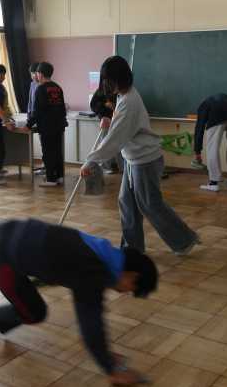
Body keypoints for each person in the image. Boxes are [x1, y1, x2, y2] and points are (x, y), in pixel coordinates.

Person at [0, 208, 157, 386]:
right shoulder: (94, 271)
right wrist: (110, 369)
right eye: (131, 288)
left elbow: (59, 262)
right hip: (2, 263)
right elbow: (91, 323)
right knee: (34, 313)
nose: (124, 292)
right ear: (133, 274)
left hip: (8, 229)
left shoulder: (103, 251)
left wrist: (106, 356)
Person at [80, 56, 198, 256]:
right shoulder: (123, 96)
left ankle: (184, 240)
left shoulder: (129, 102)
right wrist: (108, 118)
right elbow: (118, 127)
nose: (105, 85)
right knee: (128, 203)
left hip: (145, 160)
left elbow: (114, 140)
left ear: (119, 79)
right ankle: (132, 250)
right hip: (134, 159)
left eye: (109, 80)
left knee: (150, 204)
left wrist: (91, 161)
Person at [26, 61, 67, 187]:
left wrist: (28, 125)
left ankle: (50, 179)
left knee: (48, 152)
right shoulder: (58, 87)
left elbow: (37, 110)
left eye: (37, 73)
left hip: (47, 126)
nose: (36, 76)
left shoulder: (41, 89)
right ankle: (59, 176)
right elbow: (62, 108)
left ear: (40, 74)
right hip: (59, 125)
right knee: (57, 151)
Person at [193, 93, 227, 192]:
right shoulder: (221, 99)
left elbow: (199, 128)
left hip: (217, 116)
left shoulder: (203, 106)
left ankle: (213, 183)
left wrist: (197, 151)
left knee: (212, 148)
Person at [90, 87, 123, 174]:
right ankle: (106, 166)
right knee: (105, 143)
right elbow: (93, 105)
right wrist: (105, 105)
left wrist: (114, 106)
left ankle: (121, 166)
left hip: (118, 120)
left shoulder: (121, 90)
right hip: (106, 121)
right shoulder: (101, 90)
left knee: (119, 143)